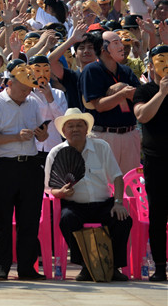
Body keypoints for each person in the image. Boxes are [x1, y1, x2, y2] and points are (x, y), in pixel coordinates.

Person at [45, 109, 133, 282]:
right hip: (74, 205)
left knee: (123, 219)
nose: (75, 129)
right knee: (67, 219)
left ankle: (113, 267)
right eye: (70, 126)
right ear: (64, 131)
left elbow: (117, 176)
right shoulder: (55, 153)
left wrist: (118, 202)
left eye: (79, 125)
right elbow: (49, 189)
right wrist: (60, 193)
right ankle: (86, 265)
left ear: (87, 129)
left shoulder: (102, 147)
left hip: (103, 203)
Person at [0, 59, 48, 280]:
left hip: (29, 164)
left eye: (29, 88)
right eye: (22, 87)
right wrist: (14, 137)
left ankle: (27, 267)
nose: (27, 91)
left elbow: (42, 132)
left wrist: (42, 135)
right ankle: (1, 267)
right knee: (1, 219)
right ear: (9, 83)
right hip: (2, 165)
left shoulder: (33, 103)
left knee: (29, 219)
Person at [79, 30, 141, 174]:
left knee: (131, 184)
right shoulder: (91, 70)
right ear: (103, 48)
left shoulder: (126, 71)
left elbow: (139, 96)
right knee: (104, 187)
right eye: (116, 42)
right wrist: (124, 94)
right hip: (104, 135)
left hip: (129, 133)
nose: (122, 46)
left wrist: (122, 86)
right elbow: (99, 106)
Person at [132, 45, 168, 281]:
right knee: (158, 215)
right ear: (150, 65)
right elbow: (142, 115)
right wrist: (162, 93)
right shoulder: (144, 91)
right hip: (156, 161)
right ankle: (160, 267)